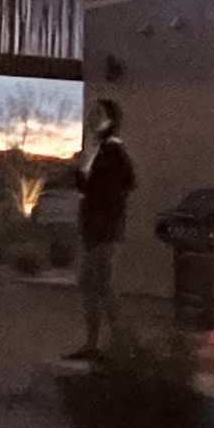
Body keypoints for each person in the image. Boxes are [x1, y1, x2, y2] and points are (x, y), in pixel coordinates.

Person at [69, 98, 137, 359]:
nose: (90, 118)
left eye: (97, 114)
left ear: (110, 120)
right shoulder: (98, 150)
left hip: (104, 228)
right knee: (96, 284)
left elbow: (123, 184)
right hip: (96, 227)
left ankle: (109, 343)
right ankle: (101, 343)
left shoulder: (113, 151)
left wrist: (93, 184)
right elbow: (88, 188)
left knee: (98, 283)